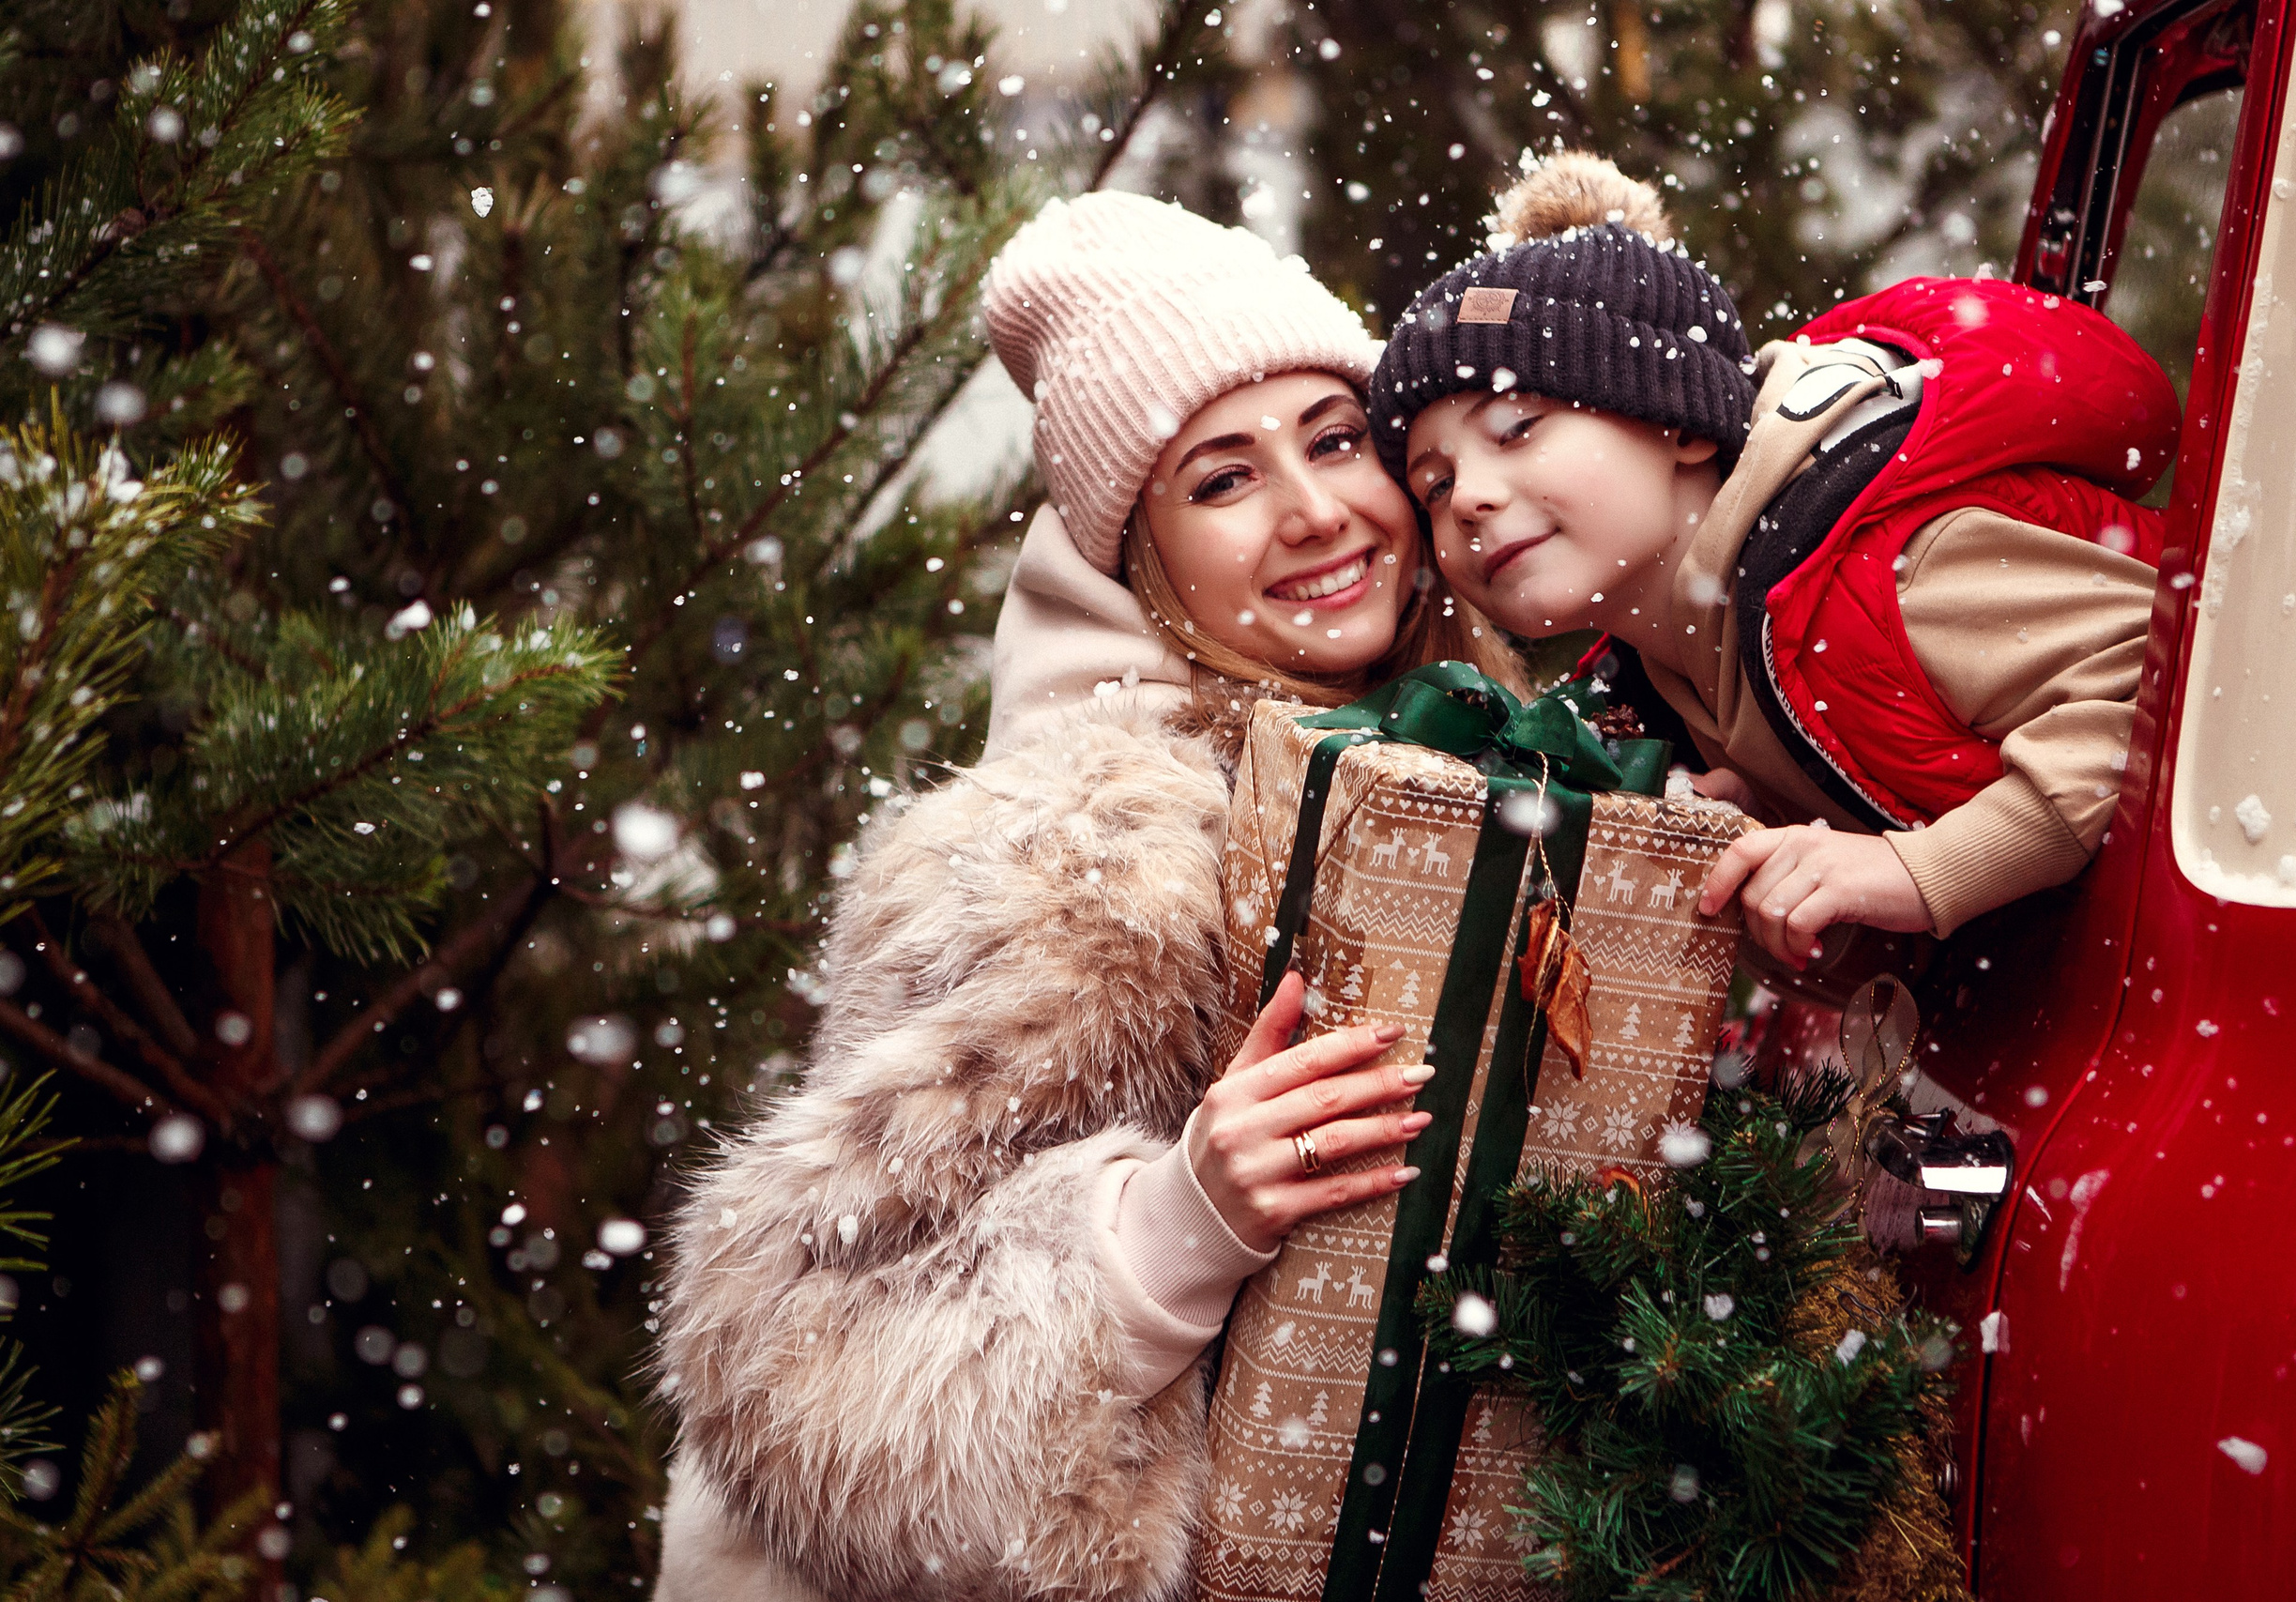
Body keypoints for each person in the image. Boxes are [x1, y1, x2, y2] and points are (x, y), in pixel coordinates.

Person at [650, 191, 1523, 1602]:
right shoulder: (1067, 853)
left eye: (1336, 437)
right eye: (1223, 480)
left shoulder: (1539, 749)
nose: (1314, 513)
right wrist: (1175, 1227)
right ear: (1142, 557)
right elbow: (794, 1355)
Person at [1367, 153, 2176, 968]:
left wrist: (1919, 869)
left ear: (1681, 425)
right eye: (1434, 485)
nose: (1468, 496)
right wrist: (1789, 818)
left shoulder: (1883, 561)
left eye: (1515, 428)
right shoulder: (1671, 684)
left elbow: (2171, 696)